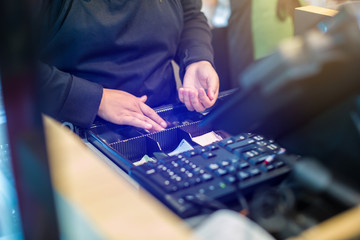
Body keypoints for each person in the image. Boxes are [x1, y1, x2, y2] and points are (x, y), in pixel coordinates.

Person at [38, 0, 219, 132]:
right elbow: (14, 72)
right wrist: (97, 99)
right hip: (74, 128)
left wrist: (197, 57)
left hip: (165, 117)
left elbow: (190, 15)